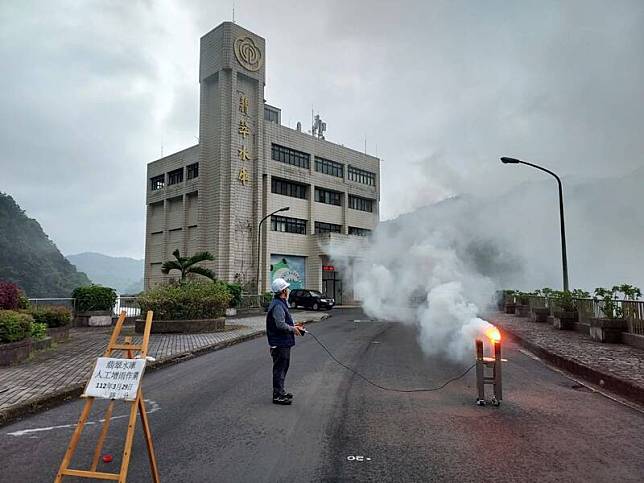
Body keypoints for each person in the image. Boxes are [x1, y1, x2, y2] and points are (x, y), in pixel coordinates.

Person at [266, 278, 304, 405]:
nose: (288, 290)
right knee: (280, 369)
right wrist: (293, 329)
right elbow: (280, 325)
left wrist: (294, 325)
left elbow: (283, 322)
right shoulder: (278, 305)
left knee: (282, 368)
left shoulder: (280, 303)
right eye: (286, 288)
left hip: (282, 342)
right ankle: (278, 395)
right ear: (283, 291)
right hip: (279, 343)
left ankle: (280, 391)